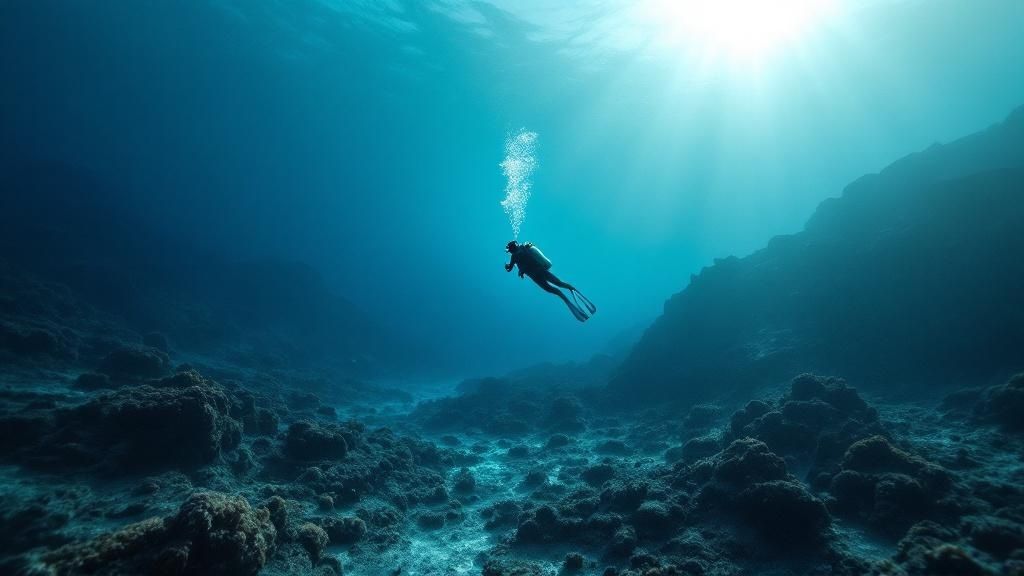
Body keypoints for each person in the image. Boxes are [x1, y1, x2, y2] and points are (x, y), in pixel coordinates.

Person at [504, 240, 596, 322]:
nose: (514, 250)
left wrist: (509, 267)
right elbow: (510, 267)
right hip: (537, 274)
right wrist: (509, 266)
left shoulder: (522, 248)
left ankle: (571, 292)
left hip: (538, 273)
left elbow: (510, 267)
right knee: (557, 288)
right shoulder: (517, 253)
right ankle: (570, 293)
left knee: (558, 286)